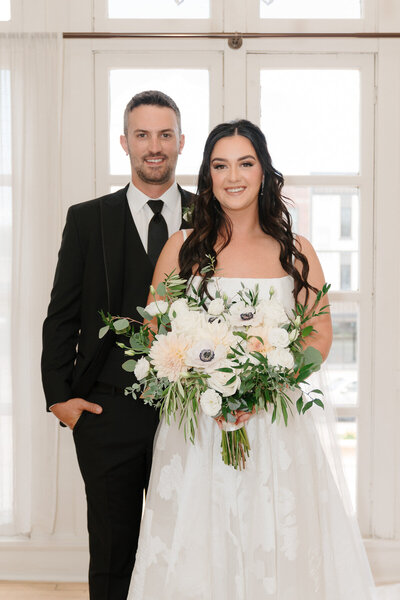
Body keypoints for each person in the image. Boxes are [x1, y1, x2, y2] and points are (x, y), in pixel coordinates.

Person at [127, 120, 376, 599]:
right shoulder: (181, 249)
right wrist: (205, 386)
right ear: (207, 175)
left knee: (277, 543)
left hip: (275, 427)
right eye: (221, 165)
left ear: (264, 172)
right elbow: (155, 331)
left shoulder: (296, 252)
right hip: (199, 429)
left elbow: (318, 333)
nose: (233, 176)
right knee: (200, 546)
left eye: (246, 163)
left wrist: (263, 386)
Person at [41, 90, 194, 600]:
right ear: (124, 142)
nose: (155, 146)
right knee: (112, 552)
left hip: (191, 410)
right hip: (106, 410)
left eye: (165, 134)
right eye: (143, 135)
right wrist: (60, 398)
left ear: (181, 142)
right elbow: (62, 316)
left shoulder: (212, 218)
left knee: (188, 546)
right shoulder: (87, 219)